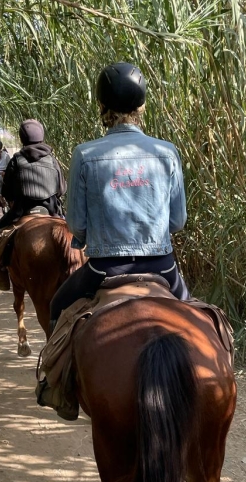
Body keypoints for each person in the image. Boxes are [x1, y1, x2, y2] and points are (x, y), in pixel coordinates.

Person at [49, 61, 190, 332]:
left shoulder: (85, 154)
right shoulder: (167, 151)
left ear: (102, 106)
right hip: (162, 267)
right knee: (202, 321)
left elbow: (76, 224)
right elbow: (177, 221)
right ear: (142, 107)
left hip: (105, 269)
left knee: (57, 306)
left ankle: (48, 376)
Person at [0, 119, 67, 290]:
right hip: (52, 210)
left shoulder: (16, 159)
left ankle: (1, 272)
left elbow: (7, 192)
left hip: (22, 211)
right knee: (73, 235)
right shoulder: (52, 159)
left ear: (22, 137)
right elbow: (61, 189)